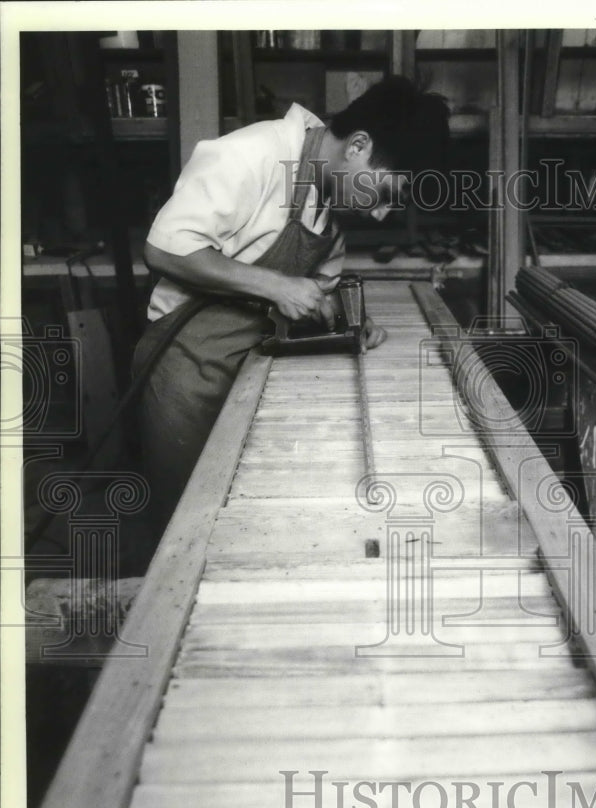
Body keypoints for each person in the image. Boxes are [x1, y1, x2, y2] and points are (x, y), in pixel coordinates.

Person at [135, 76, 449, 532]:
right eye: (384, 193)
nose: (380, 213)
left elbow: (316, 292)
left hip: (252, 371)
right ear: (358, 145)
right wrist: (277, 286)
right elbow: (164, 248)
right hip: (184, 370)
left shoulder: (332, 203)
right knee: (184, 529)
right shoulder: (251, 155)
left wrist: (350, 319)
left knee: (236, 525)